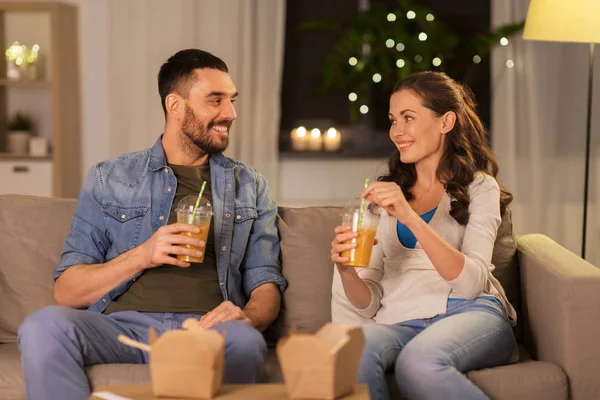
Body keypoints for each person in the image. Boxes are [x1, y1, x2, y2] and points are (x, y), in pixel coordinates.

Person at [18, 49, 286, 400]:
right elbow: (67, 291)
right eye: (215, 100)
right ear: (175, 106)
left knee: (246, 342)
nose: (230, 113)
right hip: (120, 327)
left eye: (232, 100)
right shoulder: (109, 177)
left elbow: (266, 283)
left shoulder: (250, 185)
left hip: (207, 329)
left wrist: (248, 318)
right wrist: (143, 254)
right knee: (42, 327)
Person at [330, 71, 517, 400]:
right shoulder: (384, 197)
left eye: (408, 118)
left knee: (417, 363)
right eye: (392, 120)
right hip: (400, 320)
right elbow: (367, 305)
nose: (396, 131)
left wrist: (410, 216)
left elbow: (472, 284)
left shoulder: (479, 188)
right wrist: (346, 271)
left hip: (471, 312)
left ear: (445, 122)